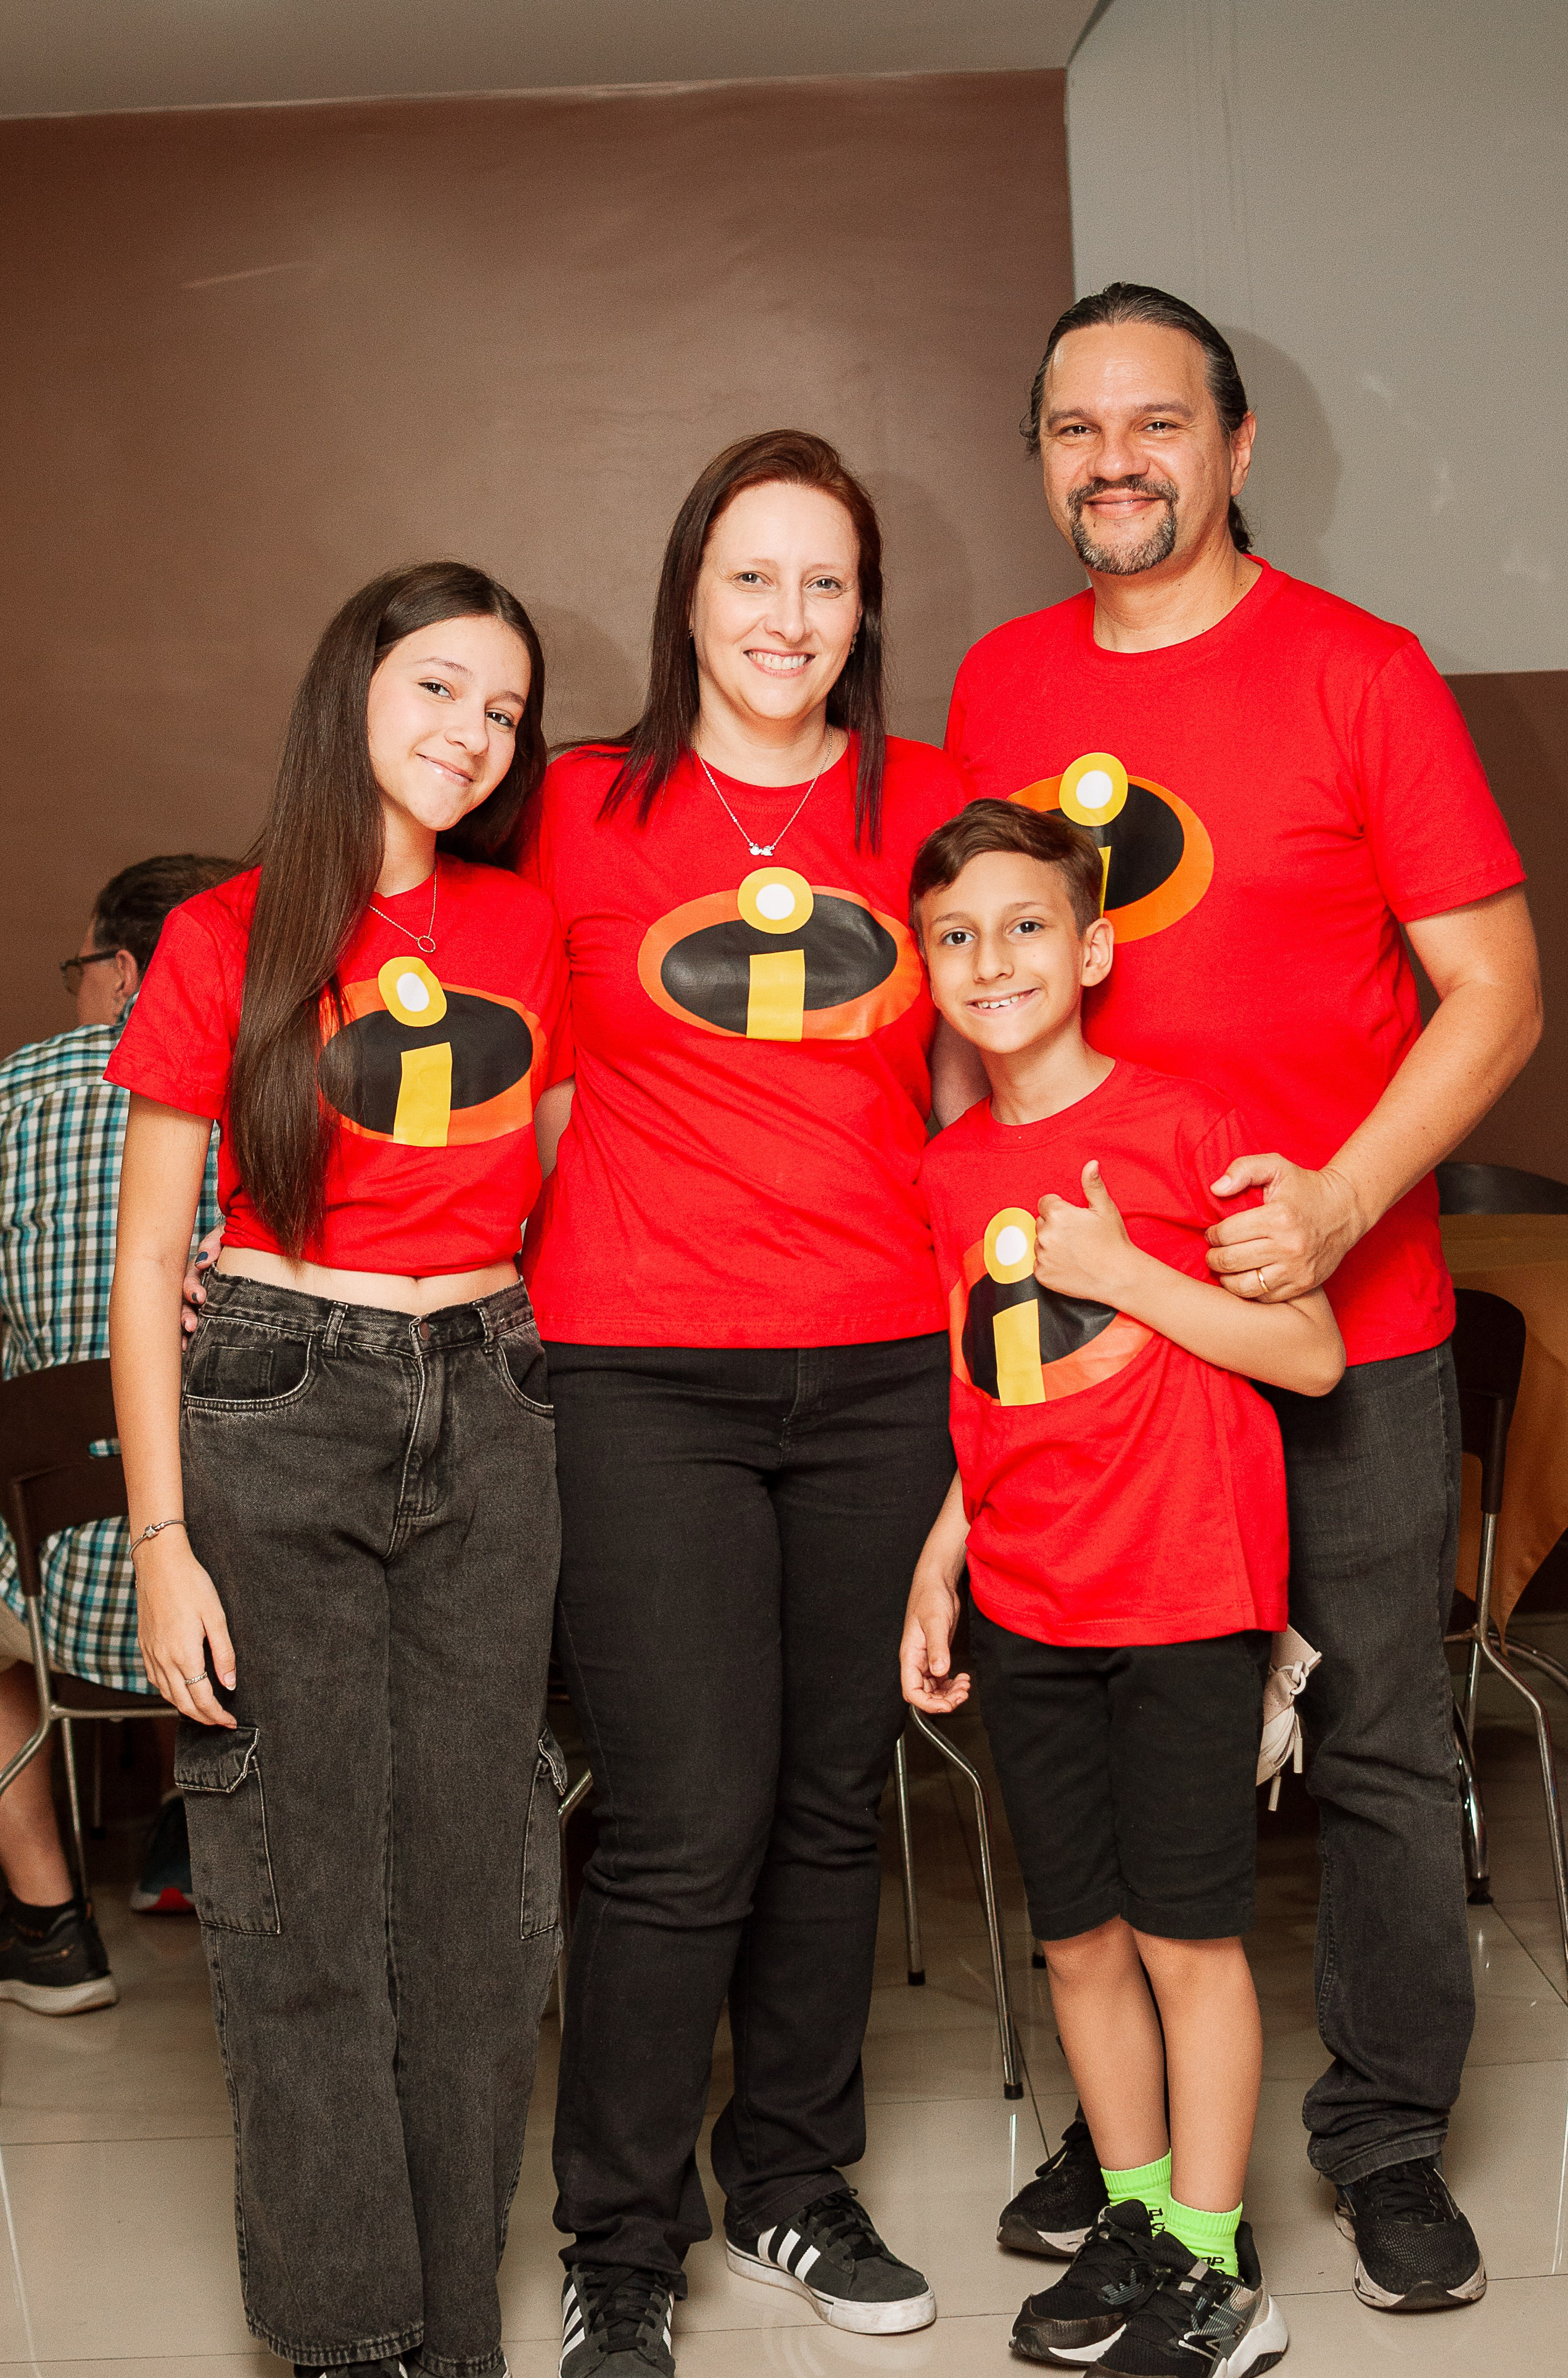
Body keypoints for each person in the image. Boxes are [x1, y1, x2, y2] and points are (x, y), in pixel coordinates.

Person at [944, 282, 1540, 2315]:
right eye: (1075, 427)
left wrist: (1346, 1198)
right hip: (1093, 1335)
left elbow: (1496, 992)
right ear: (1042, 459)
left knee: (1377, 1739)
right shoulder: (1003, 682)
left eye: (1157, 422)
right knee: (1107, 1735)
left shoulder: (1364, 674)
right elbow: (978, 986)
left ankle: (1382, 2134)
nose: (1115, 460)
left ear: (1237, 446)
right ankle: (1125, 2147)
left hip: (1337, 1320)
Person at [521, 431, 970, 2375]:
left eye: (827, 581)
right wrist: (272, 1233)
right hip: (640, 1370)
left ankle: (791, 2171)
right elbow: (466, 1040)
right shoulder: (569, 805)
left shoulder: (932, 803)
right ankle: (621, 2239)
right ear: (688, 596)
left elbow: (976, 1083)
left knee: (828, 1803)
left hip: (883, 1365)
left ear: (865, 610)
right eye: (752, 576)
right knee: (683, 1817)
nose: (790, 617)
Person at [106, 562, 572, 2378]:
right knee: (298, 1894)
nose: (472, 732)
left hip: (494, 1392)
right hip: (278, 1395)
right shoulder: (225, 933)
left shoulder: (524, 925)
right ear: (353, 688)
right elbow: (152, 1258)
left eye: (504, 709)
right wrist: (160, 1538)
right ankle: (346, 2336)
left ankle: (452, 2334)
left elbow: (557, 1182)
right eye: (440, 686)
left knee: (477, 1911)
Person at [904, 799, 1344, 2374]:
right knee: (1078, 1939)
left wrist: (1126, 1273)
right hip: (1030, 1600)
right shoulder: (949, 1169)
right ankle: (1143, 2216)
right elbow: (991, 1383)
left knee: (1181, 1938)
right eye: (954, 936)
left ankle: (1217, 2269)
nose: (990, 959)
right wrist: (940, 1559)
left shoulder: (1184, 1125)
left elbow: (1310, 1352)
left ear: (1090, 948)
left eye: (1025, 925)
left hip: (1183, 1593)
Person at [0, 854, 235, 2018]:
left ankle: (49, 1927)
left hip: (60, 1582)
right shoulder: (288, 1086)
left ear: (129, 970)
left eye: (83, 966)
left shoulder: (13, 1097)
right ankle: (193, 1830)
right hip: (250, 1579)